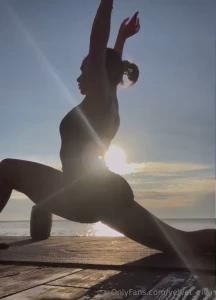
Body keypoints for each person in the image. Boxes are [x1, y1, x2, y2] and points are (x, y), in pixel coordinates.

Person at [0, 0, 214, 256]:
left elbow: (98, 42)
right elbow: (111, 62)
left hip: (84, 193)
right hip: (104, 192)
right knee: (182, 242)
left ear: (98, 71)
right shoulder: (109, 99)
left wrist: (106, 4)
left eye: (84, 70)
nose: (79, 77)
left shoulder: (99, 99)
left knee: (7, 168)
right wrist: (122, 38)